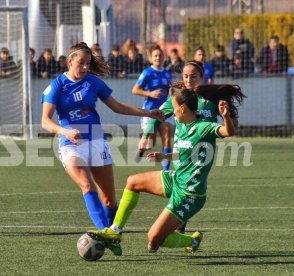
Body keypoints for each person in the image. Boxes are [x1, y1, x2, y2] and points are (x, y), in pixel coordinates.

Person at [88, 84, 245, 256]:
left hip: (190, 194)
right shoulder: (181, 123)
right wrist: (165, 157)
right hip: (176, 179)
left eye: (174, 107)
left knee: (154, 238)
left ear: (183, 108)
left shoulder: (203, 127)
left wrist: (225, 117)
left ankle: (192, 240)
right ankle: (115, 231)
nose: (172, 111)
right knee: (132, 182)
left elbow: (228, 131)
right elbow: (185, 152)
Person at [41, 42, 163, 239]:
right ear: (70, 61)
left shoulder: (93, 82)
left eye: (88, 63)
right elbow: (45, 121)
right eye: (81, 62)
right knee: (86, 185)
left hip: (97, 142)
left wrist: (149, 112)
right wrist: (64, 132)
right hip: (71, 144)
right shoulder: (57, 85)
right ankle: (105, 234)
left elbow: (117, 107)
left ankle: (113, 235)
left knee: (109, 202)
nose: (85, 67)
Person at [137, 60, 241, 234]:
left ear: (201, 76)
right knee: (183, 188)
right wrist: (149, 133)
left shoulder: (212, 97)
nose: (188, 80)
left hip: (202, 154)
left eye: (193, 76)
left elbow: (232, 124)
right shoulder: (179, 98)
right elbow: (159, 115)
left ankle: (178, 219)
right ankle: (179, 220)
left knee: (190, 187)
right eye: (185, 76)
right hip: (182, 152)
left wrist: (227, 116)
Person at [132, 44, 173, 171]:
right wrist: (150, 93)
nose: (158, 58)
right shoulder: (147, 73)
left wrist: (172, 96)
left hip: (164, 111)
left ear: (163, 57)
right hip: (150, 111)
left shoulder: (167, 73)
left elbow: (170, 89)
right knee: (150, 144)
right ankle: (141, 149)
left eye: (160, 55)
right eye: (155, 56)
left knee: (167, 137)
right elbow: (135, 90)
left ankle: (166, 170)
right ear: (151, 58)